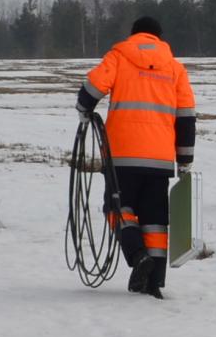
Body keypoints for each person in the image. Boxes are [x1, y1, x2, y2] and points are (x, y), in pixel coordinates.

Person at [79, 17, 196, 296]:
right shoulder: (175, 67)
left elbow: (93, 87)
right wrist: (185, 159)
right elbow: (186, 116)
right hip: (159, 158)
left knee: (118, 208)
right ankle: (153, 281)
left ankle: (137, 255)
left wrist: (84, 108)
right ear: (159, 37)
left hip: (122, 154)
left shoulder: (119, 56)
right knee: (155, 218)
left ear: (134, 35)